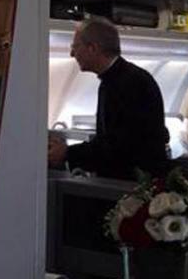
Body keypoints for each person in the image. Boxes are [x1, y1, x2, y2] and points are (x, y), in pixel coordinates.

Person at [48, 18, 169, 179]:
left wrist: (67, 153)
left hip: (133, 184)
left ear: (93, 48)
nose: (72, 54)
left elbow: (117, 148)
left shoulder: (127, 84)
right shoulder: (121, 79)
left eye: (75, 47)